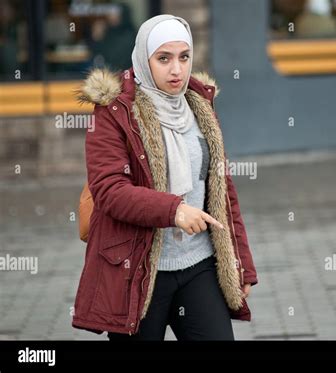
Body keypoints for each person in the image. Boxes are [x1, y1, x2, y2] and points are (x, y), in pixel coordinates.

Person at [72, 14, 258, 340]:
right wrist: (174, 210)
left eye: (184, 57)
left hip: (200, 266)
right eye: (164, 58)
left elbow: (222, 191)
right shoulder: (115, 111)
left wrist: (242, 262)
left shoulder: (199, 105)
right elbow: (110, 191)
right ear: (144, 60)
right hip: (138, 267)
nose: (177, 69)